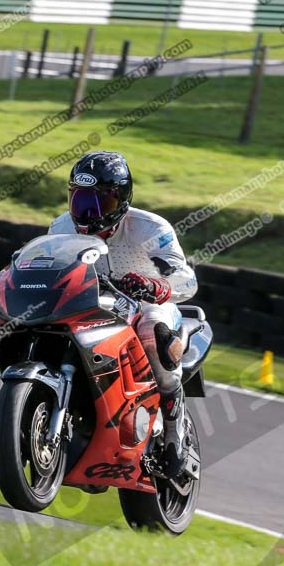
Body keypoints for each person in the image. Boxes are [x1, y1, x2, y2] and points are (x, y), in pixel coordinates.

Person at [48, 151, 198, 478]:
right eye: (81, 199)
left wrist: (156, 285)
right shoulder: (61, 226)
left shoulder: (150, 228)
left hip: (147, 305)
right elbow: (52, 268)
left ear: (122, 200)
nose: (90, 212)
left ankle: (174, 436)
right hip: (93, 305)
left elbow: (188, 279)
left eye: (101, 202)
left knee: (153, 330)